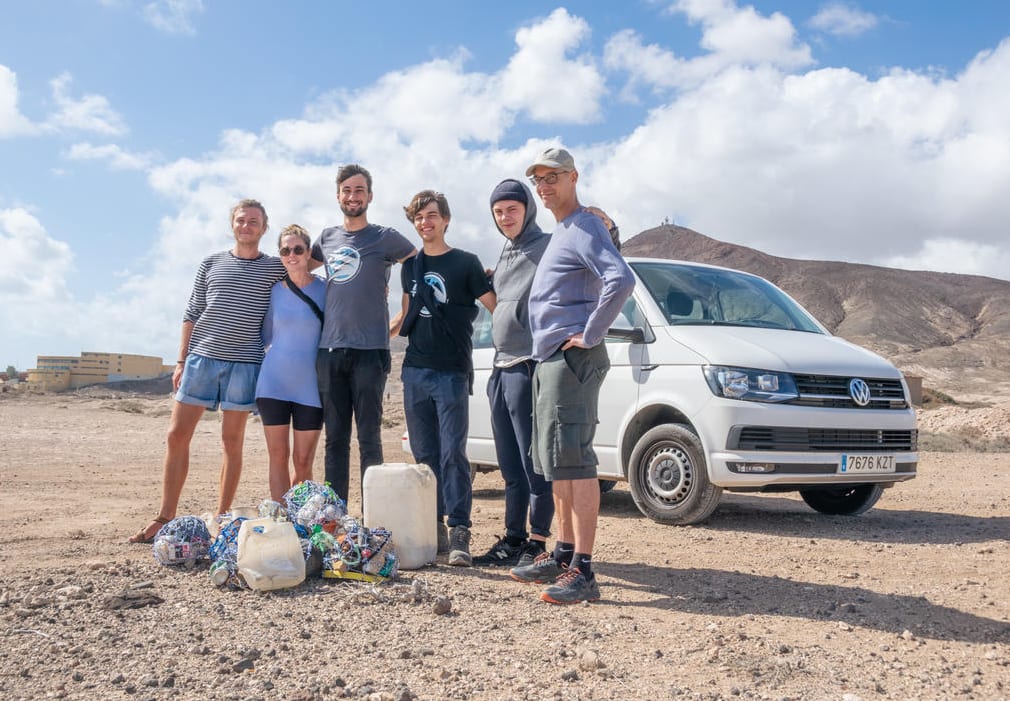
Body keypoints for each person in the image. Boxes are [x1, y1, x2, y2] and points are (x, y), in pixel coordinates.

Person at [508, 148, 635, 604]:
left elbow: (619, 279)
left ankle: (583, 569)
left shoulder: (583, 225)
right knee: (557, 463)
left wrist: (590, 333)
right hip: (549, 360)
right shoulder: (565, 229)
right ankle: (561, 554)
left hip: (571, 358)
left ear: (573, 177)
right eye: (538, 179)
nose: (544, 186)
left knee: (576, 464)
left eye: (553, 177)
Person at [129, 199, 285, 543]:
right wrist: (181, 360)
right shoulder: (211, 263)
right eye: (241, 220)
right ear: (233, 225)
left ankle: (223, 516)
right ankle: (164, 516)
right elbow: (192, 312)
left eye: (254, 221)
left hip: (245, 363)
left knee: (232, 442)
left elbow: (305, 267)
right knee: (176, 435)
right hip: (201, 359)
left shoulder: (275, 268)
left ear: (264, 227)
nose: (247, 226)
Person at [390, 190, 496, 567]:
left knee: (454, 453)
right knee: (425, 456)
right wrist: (372, 338)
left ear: (445, 219)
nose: (425, 223)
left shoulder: (466, 263)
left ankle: (460, 532)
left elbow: (497, 307)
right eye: (419, 218)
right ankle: (431, 527)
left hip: (451, 371)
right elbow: (406, 315)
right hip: (415, 371)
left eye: (432, 215)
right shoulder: (410, 267)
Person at [311, 164, 416, 509]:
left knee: (369, 438)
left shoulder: (384, 237)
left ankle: (374, 515)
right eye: (347, 190)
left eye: (359, 191)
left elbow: (419, 264)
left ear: (369, 196)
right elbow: (298, 269)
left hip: (371, 351)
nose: (352, 197)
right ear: (338, 195)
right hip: (329, 351)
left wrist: (401, 318)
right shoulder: (325, 239)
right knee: (335, 440)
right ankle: (335, 516)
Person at [471, 179, 553, 567]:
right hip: (500, 366)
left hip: (529, 363)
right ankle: (514, 539)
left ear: (528, 209)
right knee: (509, 462)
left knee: (532, 459)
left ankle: (538, 541)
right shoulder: (505, 252)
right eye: (498, 212)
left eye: (512, 209)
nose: (505, 217)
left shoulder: (549, 245)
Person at [255, 224, 327, 502]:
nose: (292, 255)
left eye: (298, 249)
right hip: (273, 383)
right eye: (285, 250)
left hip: (310, 386)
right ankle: (282, 521)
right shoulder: (273, 291)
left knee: (303, 460)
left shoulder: (327, 289)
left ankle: (298, 518)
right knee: (278, 456)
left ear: (309, 252)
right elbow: (265, 335)